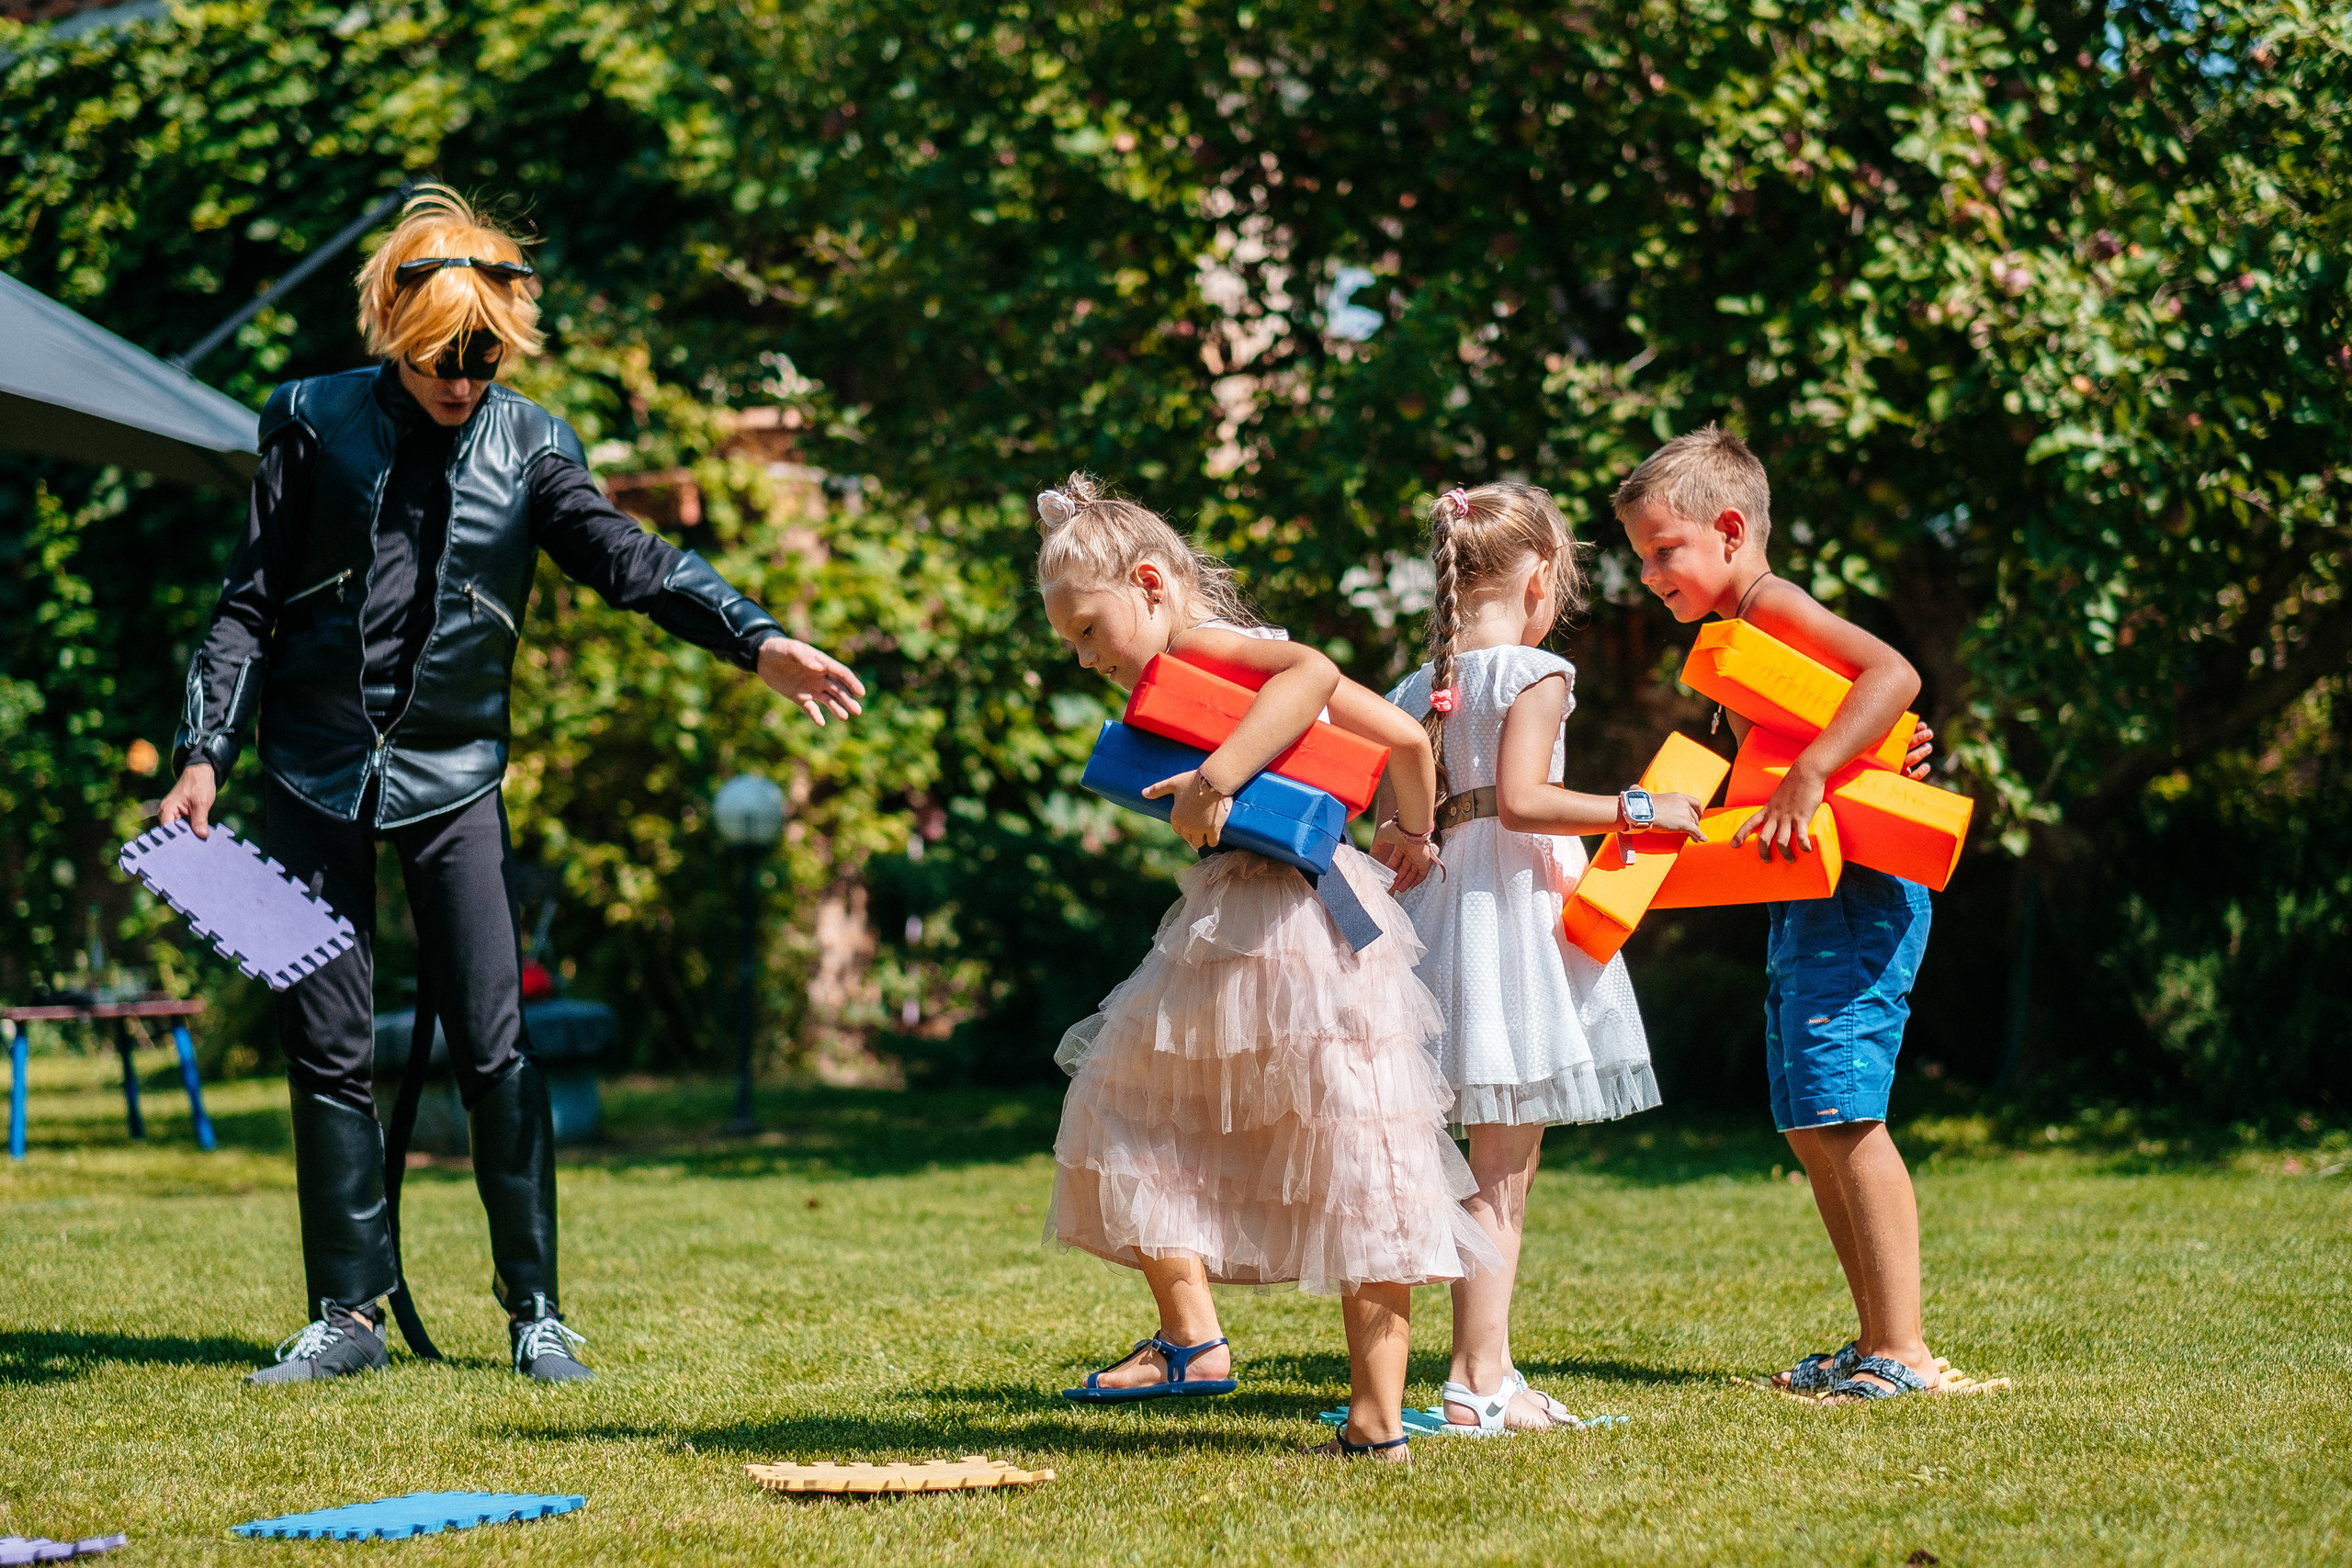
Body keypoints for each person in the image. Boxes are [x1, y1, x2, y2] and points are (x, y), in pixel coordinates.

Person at [157, 186, 865, 1386]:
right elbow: (246, 607)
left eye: (482, 361)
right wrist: (200, 752)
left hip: (455, 778)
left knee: (499, 1044)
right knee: (325, 1046)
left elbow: (630, 558)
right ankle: (346, 1314)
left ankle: (536, 1311)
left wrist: (756, 638)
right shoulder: (311, 419)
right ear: (398, 327)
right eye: (442, 360)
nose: (460, 382)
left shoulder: (532, 442)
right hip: (305, 772)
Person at [1035, 473, 1498, 1461]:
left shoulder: (1205, 647)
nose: (1086, 658)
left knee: (1146, 1110)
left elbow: (1313, 672)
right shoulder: (1194, 670)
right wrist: (1411, 831)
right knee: (1326, 1143)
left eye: (1087, 629)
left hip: (1277, 919)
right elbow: (1405, 734)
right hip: (1287, 916)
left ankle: (1222, 1352)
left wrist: (1217, 774)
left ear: (1151, 584)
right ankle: (1288, 1383)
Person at [1616, 425, 1947, 1403]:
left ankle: (1905, 1352)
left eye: (1660, 550)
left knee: (1843, 1110)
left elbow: (1893, 674)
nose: (1646, 575)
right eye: (1638, 557)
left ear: (1728, 530)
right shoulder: (1736, 648)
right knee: (1810, 1117)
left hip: (1860, 892)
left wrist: (1815, 769)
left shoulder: (1772, 605)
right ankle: (1873, 1339)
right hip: (1813, 896)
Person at [1376, 482, 1705, 1435]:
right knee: (1503, 1170)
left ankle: (1481, 1369)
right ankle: (1479, 1381)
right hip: (1507, 914)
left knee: (1461, 1161)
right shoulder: (1533, 670)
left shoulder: (1415, 688)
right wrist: (1642, 808)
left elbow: (1401, 825)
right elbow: (1522, 800)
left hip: (1438, 913)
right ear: (1539, 576)